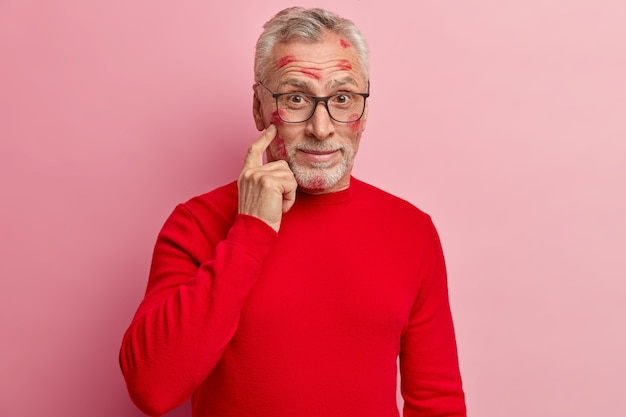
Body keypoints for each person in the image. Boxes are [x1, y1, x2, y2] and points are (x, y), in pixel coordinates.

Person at [119, 7, 466, 417]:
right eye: (296, 98)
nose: (322, 128)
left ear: (364, 111)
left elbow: (437, 403)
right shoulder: (195, 224)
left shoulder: (411, 231)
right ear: (259, 107)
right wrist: (250, 231)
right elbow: (152, 389)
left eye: (342, 98)